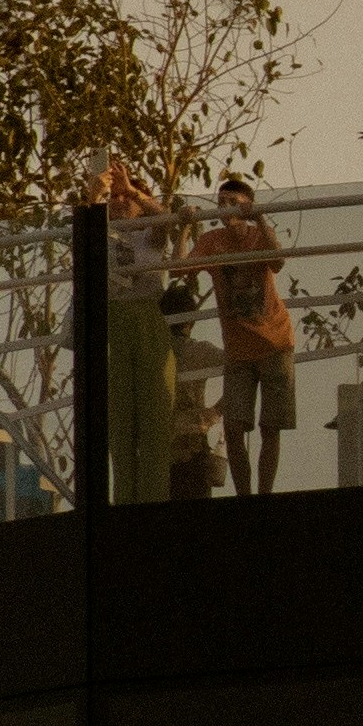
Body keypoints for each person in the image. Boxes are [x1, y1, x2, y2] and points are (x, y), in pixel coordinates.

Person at [197, 173, 295, 496]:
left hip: (274, 342)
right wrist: (184, 225)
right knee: (234, 426)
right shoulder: (212, 242)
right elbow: (181, 267)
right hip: (238, 350)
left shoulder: (258, 235)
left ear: (248, 206)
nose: (225, 209)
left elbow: (278, 261)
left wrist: (261, 219)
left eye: (232, 203)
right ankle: (244, 496)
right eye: (220, 203)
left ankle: (263, 495)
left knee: (270, 427)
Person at [93, 161, 184, 507]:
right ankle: (123, 505)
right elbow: (81, 226)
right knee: (119, 424)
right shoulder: (98, 232)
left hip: (147, 319)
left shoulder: (148, 233)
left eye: (124, 198)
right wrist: (94, 195)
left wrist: (134, 192)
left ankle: (152, 504)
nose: (117, 203)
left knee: (156, 420)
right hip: (113, 322)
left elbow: (167, 220)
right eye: (112, 198)